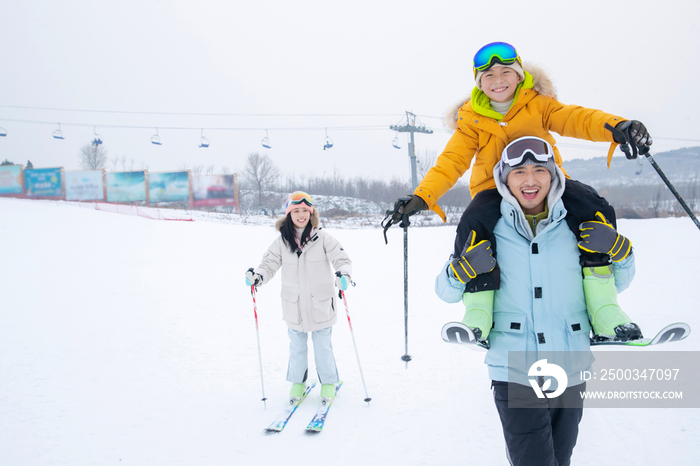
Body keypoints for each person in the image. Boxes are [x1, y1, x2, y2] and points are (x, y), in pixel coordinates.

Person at [387, 41, 649, 341]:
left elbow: (577, 118)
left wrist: (616, 127)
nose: (498, 80)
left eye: (505, 72)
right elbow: (452, 162)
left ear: (520, 75)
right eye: (488, 75)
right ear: (479, 82)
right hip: (492, 189)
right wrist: (423, 196)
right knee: (474, 227)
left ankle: (604, 310)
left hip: (547, 182)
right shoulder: (471, 118)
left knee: (593, 206)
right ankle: (478, 315)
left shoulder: (538, 104)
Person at [436, 136, 636, 466]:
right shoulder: (487, 225)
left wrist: (621, 250)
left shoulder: (576, 221)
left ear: (554, 174)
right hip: (514, 369)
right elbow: (445, 292)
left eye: (539, 170)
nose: (530, 181)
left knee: (560, 458)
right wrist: (460, 269)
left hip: (569, 366)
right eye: (519, 172)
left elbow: (620, 283)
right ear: (504, 177)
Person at [245, 191, 352, 402]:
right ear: (289, 214)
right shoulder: (282, 242)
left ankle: (329, 383)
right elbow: (269, 264)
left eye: (305, 210)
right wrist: (258, 277)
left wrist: (344, 276)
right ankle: (298, 382)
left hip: (321, 305)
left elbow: (341, 258)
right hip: (293, 307)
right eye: (296, 211)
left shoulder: (322, 238)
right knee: (296, 348)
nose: (301, 215)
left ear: (311, 213)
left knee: (323, 348)